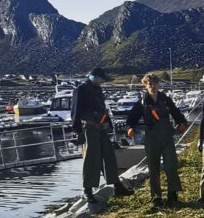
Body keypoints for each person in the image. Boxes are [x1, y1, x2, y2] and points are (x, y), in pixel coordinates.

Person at [71, 67, 133, 203]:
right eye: (101, 79)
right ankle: (87, 191)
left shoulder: (97, 89)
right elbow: (76, 112)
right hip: (89, 128)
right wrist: (78, 131)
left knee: (109, 155)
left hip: (101, 128)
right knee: (92, 159)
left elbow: (102, 109)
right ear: (94, 77)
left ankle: (117, 186)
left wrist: (107, 124)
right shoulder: (80, 89)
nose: (102, 82)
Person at [125, 73, 187, 207]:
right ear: (145, 86)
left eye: (154, 83)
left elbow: (176, 113)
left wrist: (181, 122)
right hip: (151, 137)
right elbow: (132, 118)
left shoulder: (166, 99)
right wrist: (130, 128)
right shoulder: (142, 102)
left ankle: (173, 195)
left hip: (167, 136)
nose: (151, 86)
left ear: (158, 84)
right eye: (149, 84)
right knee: (153, 167)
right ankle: (156, 197)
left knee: (171, 165)